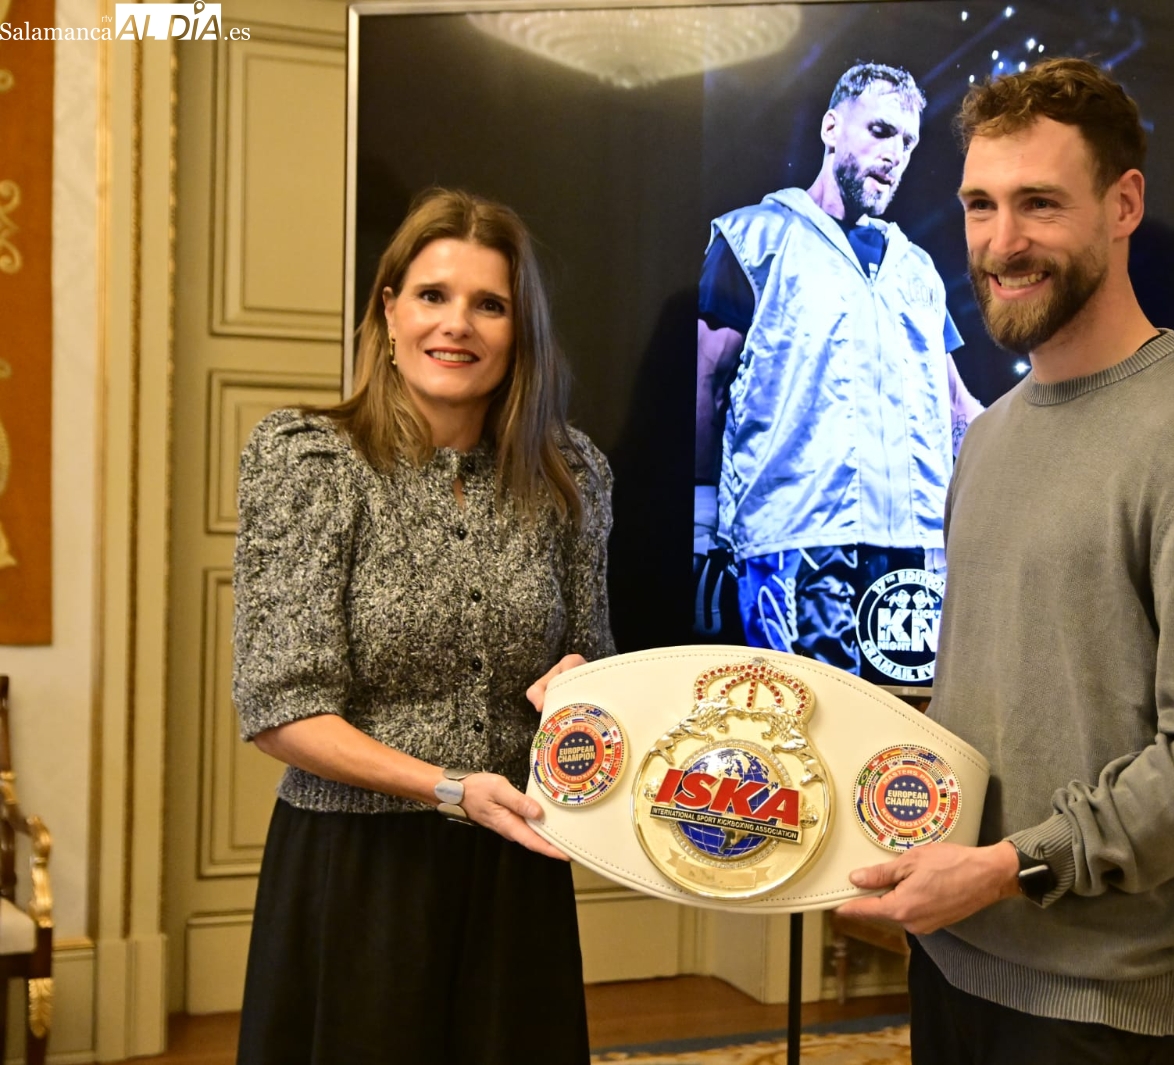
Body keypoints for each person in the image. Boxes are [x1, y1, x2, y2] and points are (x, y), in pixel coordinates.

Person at [836, 58, 1174, 1064]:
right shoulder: (990, 435)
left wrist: (1008, 868)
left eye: (1038, 203)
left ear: (1122, 203)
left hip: (1100, 1008)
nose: (1000, 243)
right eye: (979, 205)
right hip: (953, 959)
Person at [232, 188, 611, 1064]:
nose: (458, 325)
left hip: (517, 864)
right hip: (359, 874)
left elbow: (594, 650)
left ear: (521, 331)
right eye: (434, 295)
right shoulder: (311, 458)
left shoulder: (573, 472)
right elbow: (280, 707)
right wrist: (449, 786)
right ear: (390, 308)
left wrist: (582, 684)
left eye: (490, 304)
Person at [695, 62, 984, 680]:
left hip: (915, 557)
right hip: (795, 545)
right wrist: (699, 522)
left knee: (906, 753)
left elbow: (958, 409)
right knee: (801, 745)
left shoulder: (917, 270)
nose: (895, 154)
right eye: (880, 131)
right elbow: (703, 387)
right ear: (831, 127)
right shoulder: (755, 238)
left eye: (908, 141)